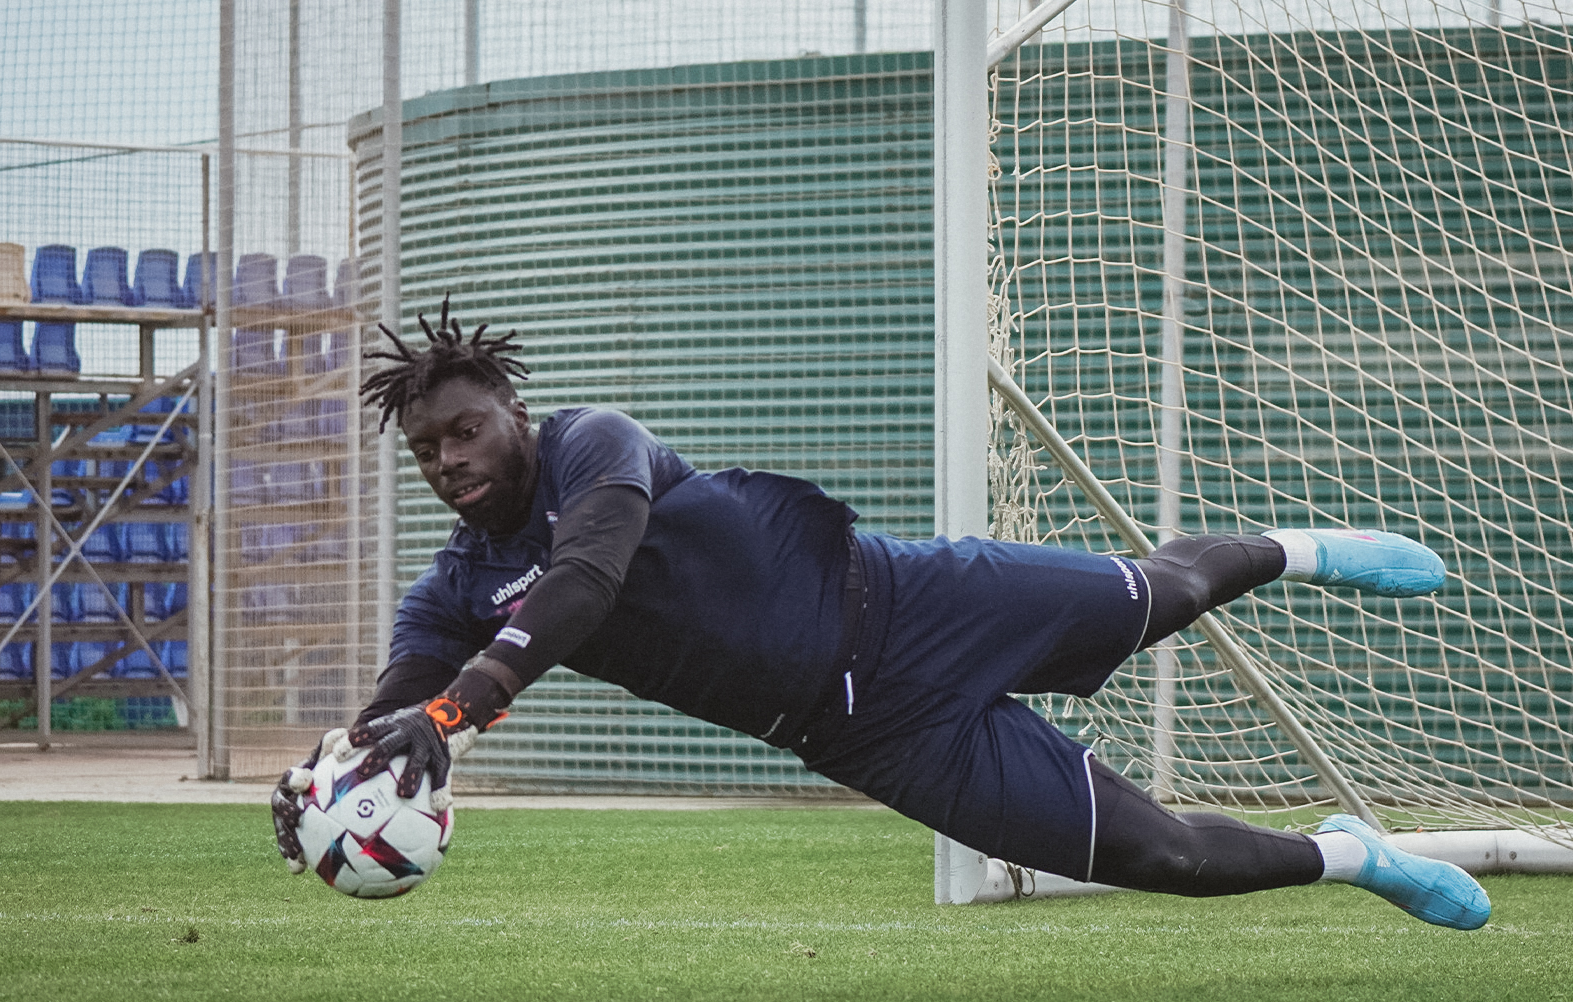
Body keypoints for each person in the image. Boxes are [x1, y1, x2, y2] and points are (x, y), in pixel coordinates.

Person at [271, 300, 1490, 931]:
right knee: (1157, 856)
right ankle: (1355, 856)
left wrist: (460, 706)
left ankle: (1303, 546)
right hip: (863, 735)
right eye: (427, 449)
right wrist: (332, 771)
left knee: (1163, 596)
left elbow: (585, 583)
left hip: (912, 602)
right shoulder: (454, 586)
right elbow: (398, 704)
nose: (447, 458)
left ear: (514, 416)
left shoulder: (598, 446)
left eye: (464, 429)